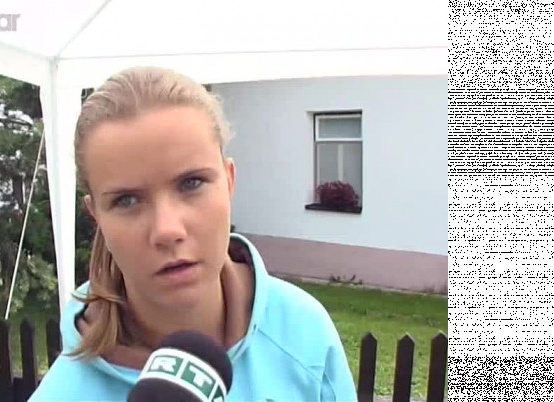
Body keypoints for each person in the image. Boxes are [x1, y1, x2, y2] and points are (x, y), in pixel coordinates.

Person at [29, 66, 357, 401]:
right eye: (126, 200)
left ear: (229, 180)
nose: (167, 230)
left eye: (191, 183)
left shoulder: (303, 335)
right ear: (96, 215)